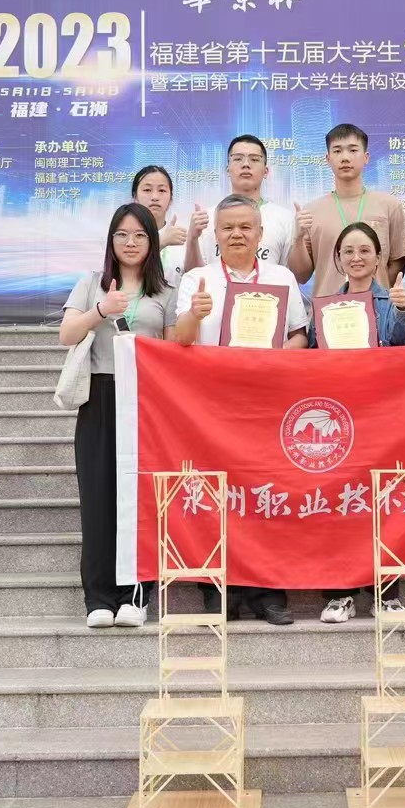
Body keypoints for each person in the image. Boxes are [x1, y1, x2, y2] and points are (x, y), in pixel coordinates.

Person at [174, 194, 308, 625]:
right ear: (215, 234)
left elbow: (300, 335)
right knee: (215, 496)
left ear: (260, 233)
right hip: (209, 409)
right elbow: (179, 340)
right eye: (228, 227)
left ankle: (269, 592)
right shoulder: (197, 278)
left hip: (268, 404)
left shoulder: (281, 277)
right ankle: (219, 592)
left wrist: (275, 358)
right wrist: (194, 316)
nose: (237, 234)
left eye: (245, 227)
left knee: (266, 494)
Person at [59, 203, 178, 630]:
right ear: (111, 240)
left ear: (153, 242)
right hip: (99, 396)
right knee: (98, 498)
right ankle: (98, 597)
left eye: (140, 235)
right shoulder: (91, 283)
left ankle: (136, 595)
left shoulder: (165, 291)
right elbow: (66, 334)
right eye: (122, 234)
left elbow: (173, 351)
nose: (131, 242)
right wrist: (102, 310)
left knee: (140, 498)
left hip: (145, 400)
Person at [308, 222, 405, 623]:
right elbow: (313, 357)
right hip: (336, 419)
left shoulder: (394, 300)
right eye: (348, 251)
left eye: (364, 250)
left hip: (383, 417)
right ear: (338, 259)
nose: (356, 258)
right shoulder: (324, 306)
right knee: (338, 504)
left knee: (385, 504)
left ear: (378, 257)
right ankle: (340, 595)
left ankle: (387, 595)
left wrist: (403, 310)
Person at [288, 123, 405, 298]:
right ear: (328, 159)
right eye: (337, 151)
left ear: (366, 157)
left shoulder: (389, 205)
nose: (345, 157)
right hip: (327, 309)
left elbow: (397, 265)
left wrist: (378, 297)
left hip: (376, 310)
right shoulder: (311, 211)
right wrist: (298, 238)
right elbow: (300, 275)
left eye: (353, 150)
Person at [189, 135, 294, 269]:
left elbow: (290, 274)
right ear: (227, 170)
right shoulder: (206, 218)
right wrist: (192, 238)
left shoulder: (285, 218)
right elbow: (193, 273)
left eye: (254, 159)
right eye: (238, 159)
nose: (246, 165)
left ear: (266, 171)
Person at [132, 164, 204, 287]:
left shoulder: (183, 236)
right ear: (135, 197)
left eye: (162, 190)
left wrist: (193, 238)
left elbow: (197, 278)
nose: (155, 197)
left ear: (171, 199)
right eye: (147, 190)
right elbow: (125, 273)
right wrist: (161, 242)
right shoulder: (124, 235)